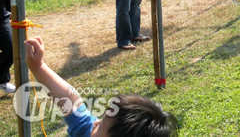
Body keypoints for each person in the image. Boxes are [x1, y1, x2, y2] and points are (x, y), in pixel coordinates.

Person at [24, 37, 179, 137]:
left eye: (101, 126)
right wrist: (38, 67)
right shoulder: (88, 132)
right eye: (102, 118)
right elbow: (71, 101)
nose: (95, 122)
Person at [0, 0, 13, 94]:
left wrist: (14, 15)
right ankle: (3, 80)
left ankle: (1, 79)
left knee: (12, 47)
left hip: (2, 17)